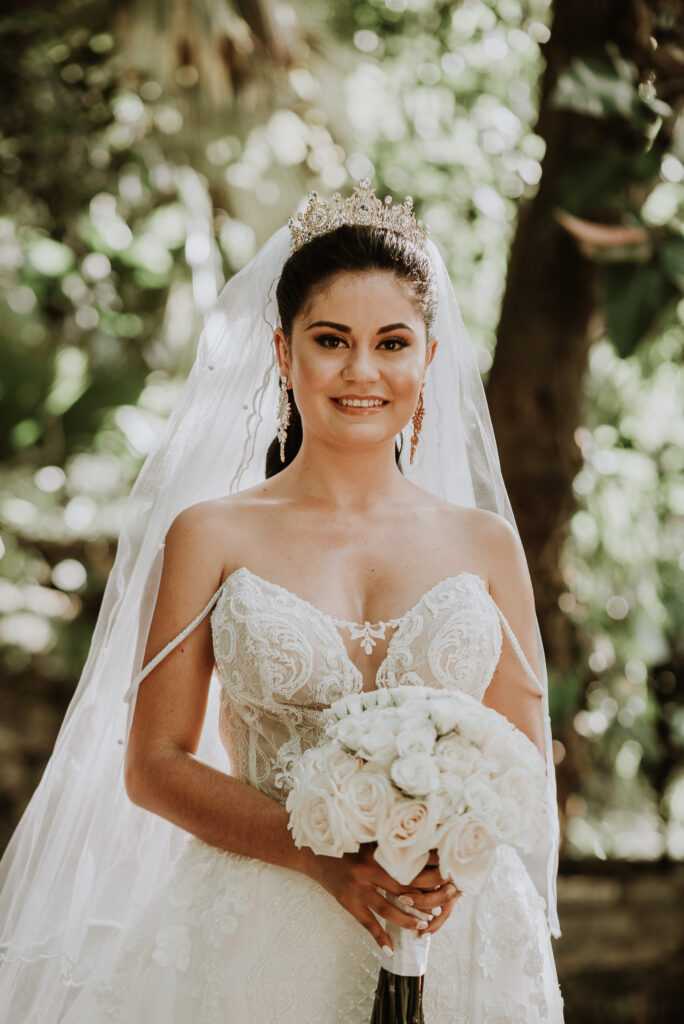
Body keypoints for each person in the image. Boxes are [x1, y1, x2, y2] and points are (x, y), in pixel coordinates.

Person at [0, 181, 564, 1022]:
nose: (362, 371)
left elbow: (520, 750)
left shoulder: (484, 544)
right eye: (331, 340)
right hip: (262, 929)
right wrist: (315, 854)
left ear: (429, 360)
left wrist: (456, 851)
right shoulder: (212, 534)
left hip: (458, 926)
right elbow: (153, 763)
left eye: (391, 343)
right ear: (282, 352)